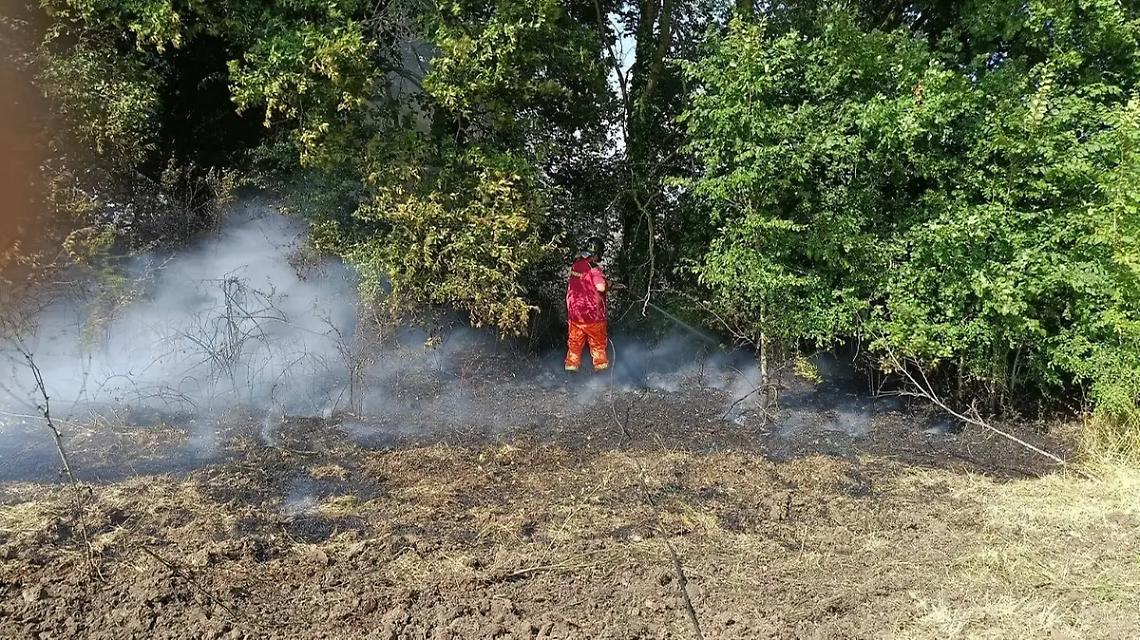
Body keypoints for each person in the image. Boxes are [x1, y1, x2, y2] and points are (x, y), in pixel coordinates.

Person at [565, 239, 610, 372]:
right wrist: (610, 285)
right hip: (593, 316)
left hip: (575, 315)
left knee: (574, 344)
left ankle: (571, 371)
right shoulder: (594, 268)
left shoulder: (576, 265)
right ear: (597, 253)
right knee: (598, 345)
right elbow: (601, 287)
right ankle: (601, 372)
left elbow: (584, 281)